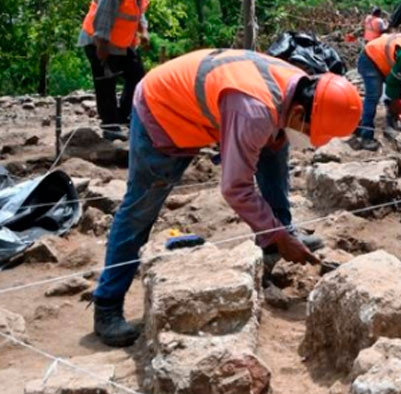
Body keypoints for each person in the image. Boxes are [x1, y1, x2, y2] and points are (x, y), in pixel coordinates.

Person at [92, 49, 363, 347]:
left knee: (276, 145)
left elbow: (270, 129)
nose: (309, 140)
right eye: (311, 132)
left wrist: (278, 232)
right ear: (299, 112)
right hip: (163, 108)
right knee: (140, 208)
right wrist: (278, 234)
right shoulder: (254, 110)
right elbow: (235, 187)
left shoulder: (296, 86)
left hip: (212, 102)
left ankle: (275, 241)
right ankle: (107, 305)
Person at [78, 0, 172, 141]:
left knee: (137, 77)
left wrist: (143, 32)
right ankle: (111, 127)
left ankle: (123, 117)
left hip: (120, 45)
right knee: (106, 83)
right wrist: (101, 48)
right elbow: (103, 17)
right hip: (98, 40)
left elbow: (139, 12)